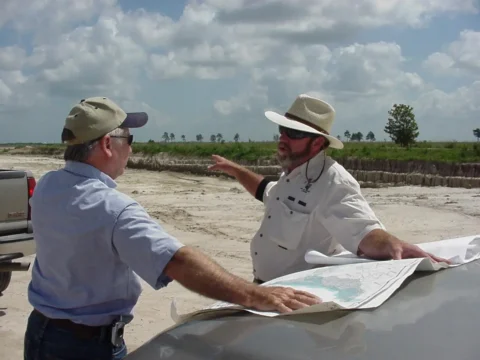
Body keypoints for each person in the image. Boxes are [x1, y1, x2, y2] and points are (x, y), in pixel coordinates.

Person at [23, 97, 321, 360]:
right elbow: (177, 260)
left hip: (40, 332)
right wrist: (255, 295)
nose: (130, 148)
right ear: (106, 144)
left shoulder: (48, 185)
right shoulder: (112, 208)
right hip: (86, 347)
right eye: (129, 139)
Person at [208, 94, 449, 284]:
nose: (283, 138)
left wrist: (392, 244)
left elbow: (363, 230)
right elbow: (267, 192)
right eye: (282, 130)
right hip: (264, 289)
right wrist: (236, 170)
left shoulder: (333, 181)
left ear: (317, 142)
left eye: (294, 133)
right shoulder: (293, 173)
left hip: (295, 298)